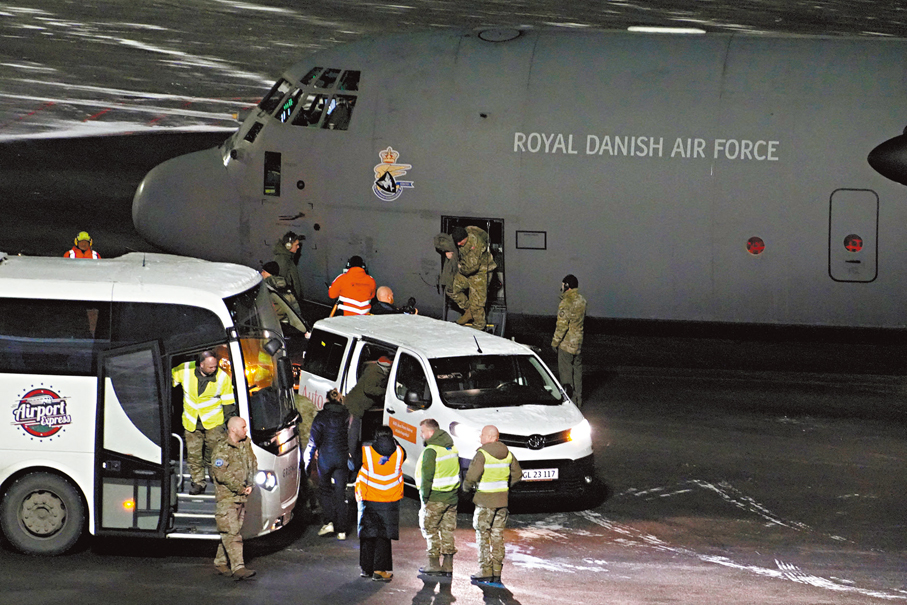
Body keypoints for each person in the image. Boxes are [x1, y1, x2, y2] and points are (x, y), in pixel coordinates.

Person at [463, 425, 522, 584]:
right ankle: (497, 570)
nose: (480, 438)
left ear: (490, 437)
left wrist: (466, 488)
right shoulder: (508, 454)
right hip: (502, 502)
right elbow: (517, 475)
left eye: (481, 435)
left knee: (483, 536)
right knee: (497, 535)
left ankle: (485, 570)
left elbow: (472, 476)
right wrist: (504, 487)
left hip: (484, 502)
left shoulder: (482, 454)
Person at [172, 350, 235, 495]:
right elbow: (169, 378)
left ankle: (214, 476)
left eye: (215, 366)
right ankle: (198, 482)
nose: (215, 369)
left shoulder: (222, 377)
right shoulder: (185, 370)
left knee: (214, 452)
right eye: (211, 367)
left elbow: (228, 402)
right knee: (193, 455)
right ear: (201, 365)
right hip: (191, 421)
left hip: (214, 423)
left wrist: (229, 422)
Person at [354, 425, 405, 582]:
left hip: (368, 499)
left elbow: (353, 465)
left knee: (368, 535)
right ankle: (379, 570)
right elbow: (401, 453)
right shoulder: (400, 452)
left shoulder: (366, 451)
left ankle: (366, 569)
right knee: (384, 536)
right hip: (390, 500)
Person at [211, 416, 258, 580]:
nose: (246, 430)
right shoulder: (221, 449)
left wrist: (250, 483)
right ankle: (238, 568)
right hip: (227, 498)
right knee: (232, 533)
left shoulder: (245, 444)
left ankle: (220, 562)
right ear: (233, 429)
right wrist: (239, 488)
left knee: (230, 531)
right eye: (243, 427)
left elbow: (252, 463)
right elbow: (220, 473)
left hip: (241, 497)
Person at [303, 389, 351, 540]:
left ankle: (329, 521)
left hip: (325, 458)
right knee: (340, 492)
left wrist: (307, 462)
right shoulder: (347, 415)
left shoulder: (321, 416)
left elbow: (313, 441)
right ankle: (342, 531)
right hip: (342, 458)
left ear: (327, 400)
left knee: (324, 489)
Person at [415, 418, 460, 577]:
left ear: (431, 432)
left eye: (423, 431)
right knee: (447, 531)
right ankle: (448, 565)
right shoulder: (452, 448)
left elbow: (427, 477)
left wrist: (424, 497)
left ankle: (434, 564)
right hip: (451, 497)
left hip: (435, 497)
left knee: (430, 530)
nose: (421, 435)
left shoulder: (431, 451)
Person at [342, 356, 392, 469]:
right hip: (355, 407)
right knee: (352, 435)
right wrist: (386, 391)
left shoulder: (372, 369)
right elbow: (369, 389)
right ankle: (349, 461)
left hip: (353, 404)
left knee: (351, 433)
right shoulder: (375, 374)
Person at [446, 226, 497, 331]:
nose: (459, 244)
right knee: (451, 289)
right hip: (466, 268)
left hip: (480, 273)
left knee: (477, 304)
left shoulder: (475, 245)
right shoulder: (464, 232)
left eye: (461, 241)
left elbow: (470, 268)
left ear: (466, 237)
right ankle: (469, 310)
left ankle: (479, 327)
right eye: (457, 242)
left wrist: (454, 260)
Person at [551, 274, 587, 407]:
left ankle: (569, 403)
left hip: (566, 345)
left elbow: (562, 326)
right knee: (577, 373)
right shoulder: (582, 301)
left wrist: (555, 343)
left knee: (566, 375)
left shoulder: (566, 302)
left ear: (567, 286)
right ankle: (579, 400)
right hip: (578, 344)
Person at [261, 261, 309, 335]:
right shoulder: (284, 285)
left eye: (264, 271)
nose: (262, 274)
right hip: (292, 322)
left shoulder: (268, 288)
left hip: (278, 324)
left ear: (268, 273)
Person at [272, 231, 304, 302]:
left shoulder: (288, 258)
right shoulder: (282, 260)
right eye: (296, 245)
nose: (298, 247)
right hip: (287, 300)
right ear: (288, 246)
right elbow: (279, 283)